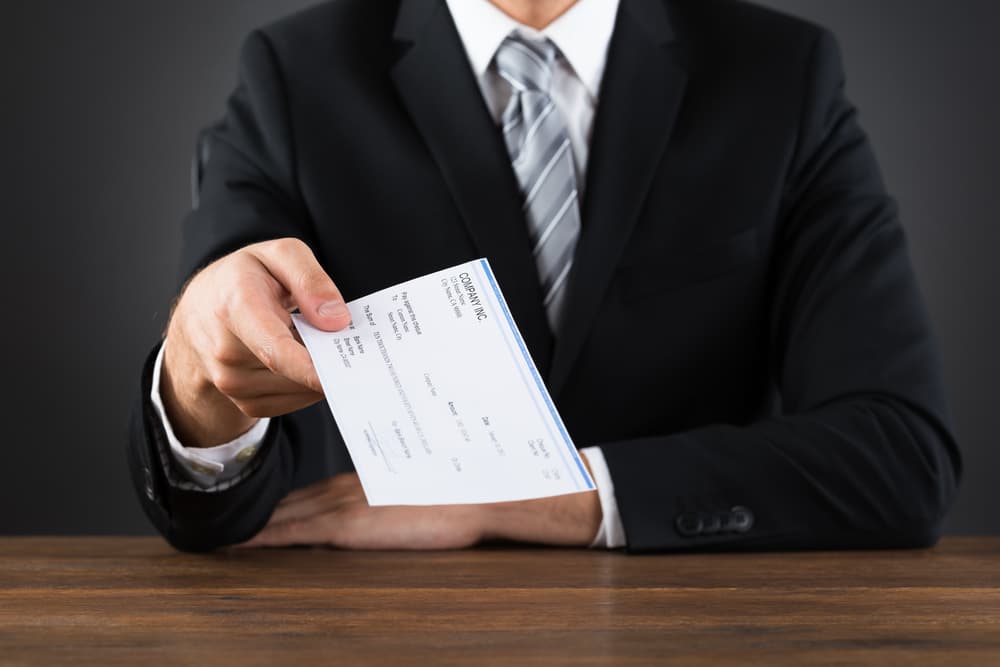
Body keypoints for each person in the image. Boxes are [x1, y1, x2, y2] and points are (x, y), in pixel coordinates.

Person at [128, 0, 961, 553]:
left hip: (700, 628)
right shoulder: (296, 74)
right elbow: (218, 511)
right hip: (381, 630)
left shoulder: (781, 73)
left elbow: (899, 456)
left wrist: (533, 498)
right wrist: (203, 384)